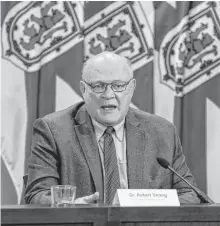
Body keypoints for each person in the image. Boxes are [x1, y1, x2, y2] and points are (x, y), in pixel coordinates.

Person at [25, 51, 200, 204]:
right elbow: (37, 195)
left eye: (118, 86)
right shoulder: (53, 130)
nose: (109, 95)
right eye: (98, 86)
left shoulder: (162, 132)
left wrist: (145, 203)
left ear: (131, 88)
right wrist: (73, 206)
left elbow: (189, 195)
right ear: (83, 89)